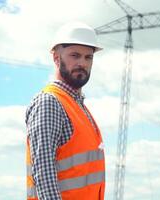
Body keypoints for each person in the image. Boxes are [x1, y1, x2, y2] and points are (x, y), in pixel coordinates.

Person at [25, 22, 105, 200]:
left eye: (88, 57)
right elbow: (44, 174)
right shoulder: (50, 102)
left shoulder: (78, 106)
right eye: (74, 56)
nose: (82, 63)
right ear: (56, 58)